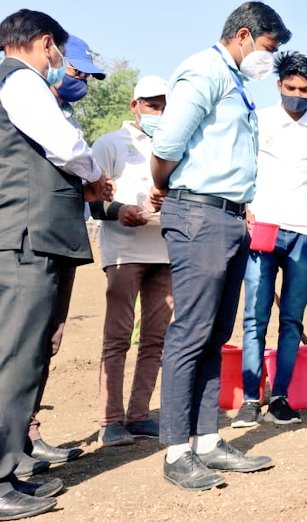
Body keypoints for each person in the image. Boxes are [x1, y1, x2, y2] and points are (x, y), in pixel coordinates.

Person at [150, 1, 290, 490]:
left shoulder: (234, 82)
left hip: (229, 217)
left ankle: (208, 441)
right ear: (246, 34)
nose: (270, 60)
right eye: (270, 48)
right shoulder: (203, 70)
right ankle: (176, 451)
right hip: (199, 213)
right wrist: (169, 188)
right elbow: (167, 145)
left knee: (215, 333)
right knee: (190, 331)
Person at [0, 10, 112, 518]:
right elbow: (65, 146)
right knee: (16, 357)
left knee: (26, 353)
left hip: (32, 236)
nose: (62, 64)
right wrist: (92, 174)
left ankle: (15, 465)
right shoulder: (22, 82)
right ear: (47, 45)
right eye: (61, 53)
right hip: (26, 237)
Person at [232, 52, 307, 428]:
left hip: (305, 234)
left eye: (305, 90)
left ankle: (280, 396)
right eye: (290, 88)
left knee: (292, 319)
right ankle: (249, 398)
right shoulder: (258, 120)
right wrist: (246, 209)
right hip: (263, 228)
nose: (297, 95)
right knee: (254, 318)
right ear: (278, 86)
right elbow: (242, 168)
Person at [19, 34, 105, 476]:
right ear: (49, 54)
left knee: (46, 339)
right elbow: (72, 158)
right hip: (29, 237)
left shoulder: (63, 113)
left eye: (88, 75)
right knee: (21, 341)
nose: (84, 80)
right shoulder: (25, 104)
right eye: (77, 71)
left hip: (61, 236)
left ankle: (27, 434)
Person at [90, 75, 173, 447]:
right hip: (124, 252)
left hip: (165, 250)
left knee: (156, 338)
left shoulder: (174, 146)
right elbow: (92, 200)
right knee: (118, 335)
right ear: (135, 105)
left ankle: (139, 415)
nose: (159, 112)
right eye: (152, 105)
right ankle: (110, 420)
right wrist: (120, 209)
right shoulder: (109, 144)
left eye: (164, 106)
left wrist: (164, 203)